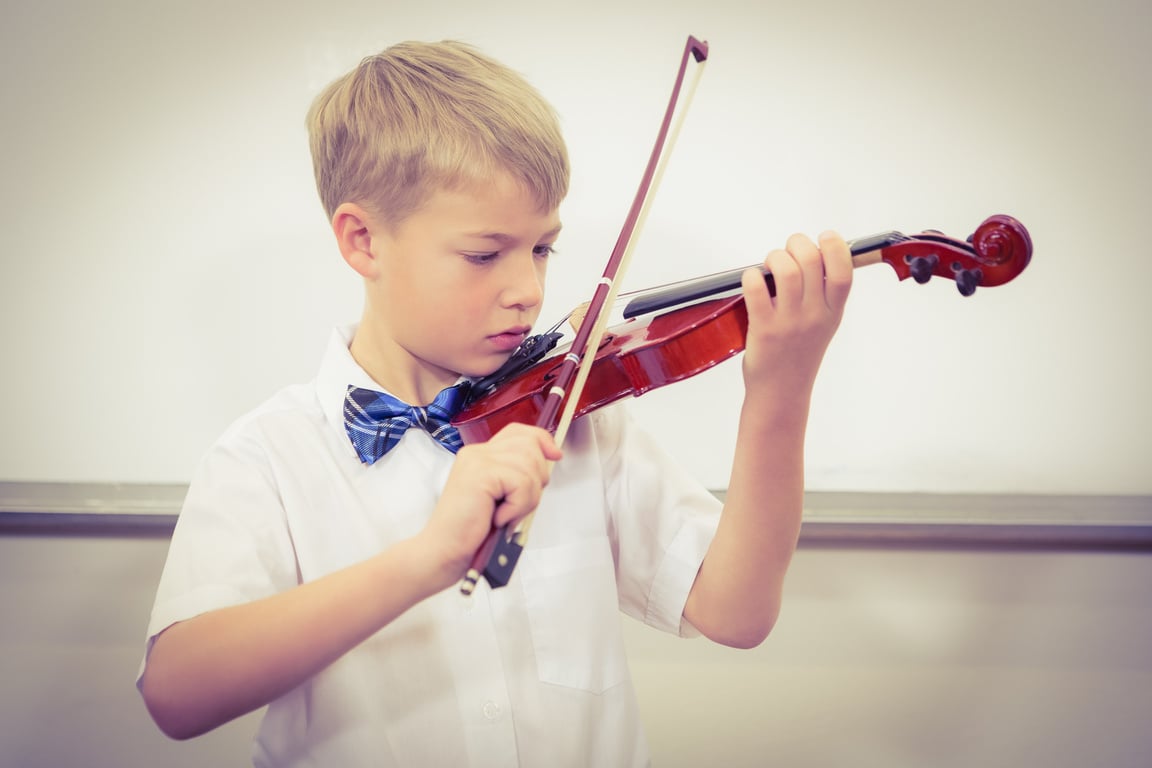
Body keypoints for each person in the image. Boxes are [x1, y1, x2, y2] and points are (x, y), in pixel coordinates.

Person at [137, 40, 852, 767]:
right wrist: (427, 558)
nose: (528, 291)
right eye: (485, 254)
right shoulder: (269, 455)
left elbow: (734, 611)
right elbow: (177, 694)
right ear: (362, 241)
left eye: (543, 249)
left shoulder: (575, 420)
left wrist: (780, 389)